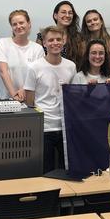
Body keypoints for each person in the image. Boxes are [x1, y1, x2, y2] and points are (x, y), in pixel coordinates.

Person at [25, 26, 76, 172]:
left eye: (58, 39)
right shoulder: (34, 67)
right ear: (44, 43)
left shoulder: (71, 66)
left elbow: (73, 97)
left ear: (64, 41)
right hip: (44, 127)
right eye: (51, 40)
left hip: (65, 126)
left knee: (66, 170)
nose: (55, 43)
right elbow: (29, 101)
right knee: (46, 170)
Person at [0, 10, 44, 101]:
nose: (18, 26)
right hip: (8, 100)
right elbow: (3, 71)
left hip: (31, 99)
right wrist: (14, 95)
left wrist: (24, 91)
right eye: (14, 24)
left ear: (29, 24)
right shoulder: (2, 43)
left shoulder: (37, 49)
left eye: (21, 23)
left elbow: (38, 75)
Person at [37, 1, 82, 69]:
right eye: (63, 12)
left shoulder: (79, 38)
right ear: (55, 16)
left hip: (71, 74)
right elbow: (38, 61)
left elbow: (82, 62)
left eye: (70, 13)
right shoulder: (43, 36)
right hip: (46, 73)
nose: (67, 15)